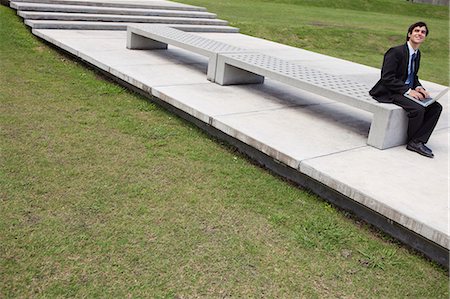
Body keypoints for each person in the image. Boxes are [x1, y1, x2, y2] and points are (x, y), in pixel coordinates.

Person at [370, 21, 442, 158]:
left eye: (423, 32)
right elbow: (387, 78)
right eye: (417, 31)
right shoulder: (396, 52)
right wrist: (409, 91)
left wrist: (419, 87)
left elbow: (413, 76)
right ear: (409, 34)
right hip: (389, 91)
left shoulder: (417, 54)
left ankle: (418, 140)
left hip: (404, 90)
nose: (419, 34)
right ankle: (414, 142)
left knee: (435, 107)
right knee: (418, 109)